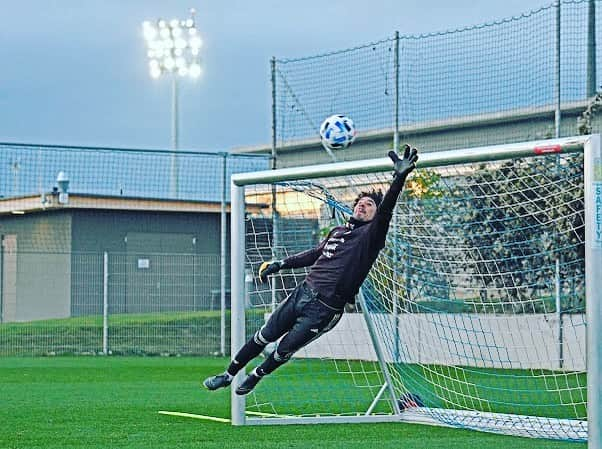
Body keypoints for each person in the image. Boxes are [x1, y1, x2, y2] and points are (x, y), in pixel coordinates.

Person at [203, 145, 419, 395]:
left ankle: (255, 376)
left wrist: (399, 178)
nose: (362, 206)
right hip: (303, 292)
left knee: (284, 349)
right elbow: (315, 254)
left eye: (369, 205)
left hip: (325, 308)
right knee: (263, 336)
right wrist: (280, 264)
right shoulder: (338, 231)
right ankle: (228, 374)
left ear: (375, 213)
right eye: (360, 202)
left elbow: (387, 209)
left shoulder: (371, 236)